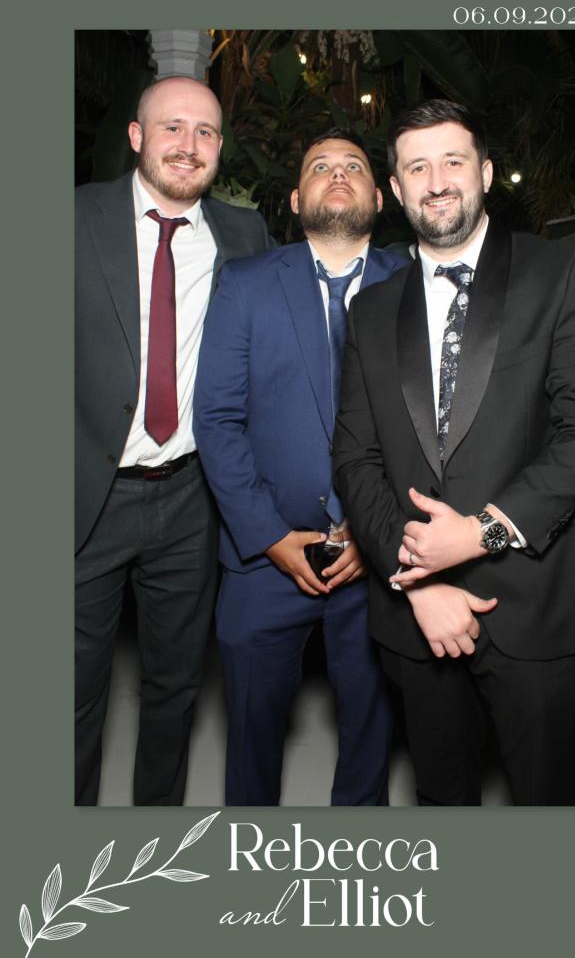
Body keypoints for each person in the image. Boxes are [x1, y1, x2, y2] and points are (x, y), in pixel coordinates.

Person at [333, 100, 575, 806]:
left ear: (485, 172)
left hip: (538, 612)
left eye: (453, 161)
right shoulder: (370, 310)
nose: (437, 181)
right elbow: (355, 458)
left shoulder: (563, 272)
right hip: (416, 621)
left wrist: (480, 534)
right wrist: (418, 581)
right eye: (417, 167)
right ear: (394, 189)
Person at [75, 76, 274, 805]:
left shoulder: (245, 236)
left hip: (192, 498)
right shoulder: (71, 218)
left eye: (206, 132)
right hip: (83, 493)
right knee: (70, 693)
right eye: (172, 127)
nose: (188, 146)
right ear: (136, 136)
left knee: (174, 688)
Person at [194, 129, 405, 805]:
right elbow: (217, 419)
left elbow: (433, 427)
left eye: (353, 167)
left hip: (380, 558)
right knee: (251, 737)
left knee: (372, 733)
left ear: (380, 196)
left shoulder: (414, 285)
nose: (337, 174)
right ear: (294, 199)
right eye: (320, 166)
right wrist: (267, 535)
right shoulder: (246, 284)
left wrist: (377, 532)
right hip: (264, 557)